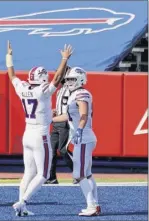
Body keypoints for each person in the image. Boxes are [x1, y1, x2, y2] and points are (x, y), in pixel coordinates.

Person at [6, 41, 73, 216]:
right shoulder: (42, 90)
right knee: (43, 174)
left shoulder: (23, 88)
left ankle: (22, 207)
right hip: (40, 135)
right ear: (42, 78)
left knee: (28, 173)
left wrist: (9, 57)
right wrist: (64, 59)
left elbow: (11, 75)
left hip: (27, 134)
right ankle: (22, 202)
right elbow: (58, 78)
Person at [52, 67, 100, 216]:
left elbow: (84, 115)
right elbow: (68, 116)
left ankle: (91, 206)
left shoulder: (81, 93)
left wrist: (78, 129)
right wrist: (49, 119)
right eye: (68, 79)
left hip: (83, 137)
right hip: (84, 138)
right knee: (87, 174)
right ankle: (95, 205)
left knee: (78, 175)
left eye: (72, 79)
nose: (69, 82)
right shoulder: (74, 94)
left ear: (80, 79)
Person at [46, 66, 73, 184]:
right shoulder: (60, 89)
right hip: (57, 122)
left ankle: (78, 173)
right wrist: (55, 111)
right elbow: (61, 107)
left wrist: (56, 117)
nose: (57, 75)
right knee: (51, 150)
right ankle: (51, 177)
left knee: (63, 150)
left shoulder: (72, 89)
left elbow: (70, 110)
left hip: (64, 123)